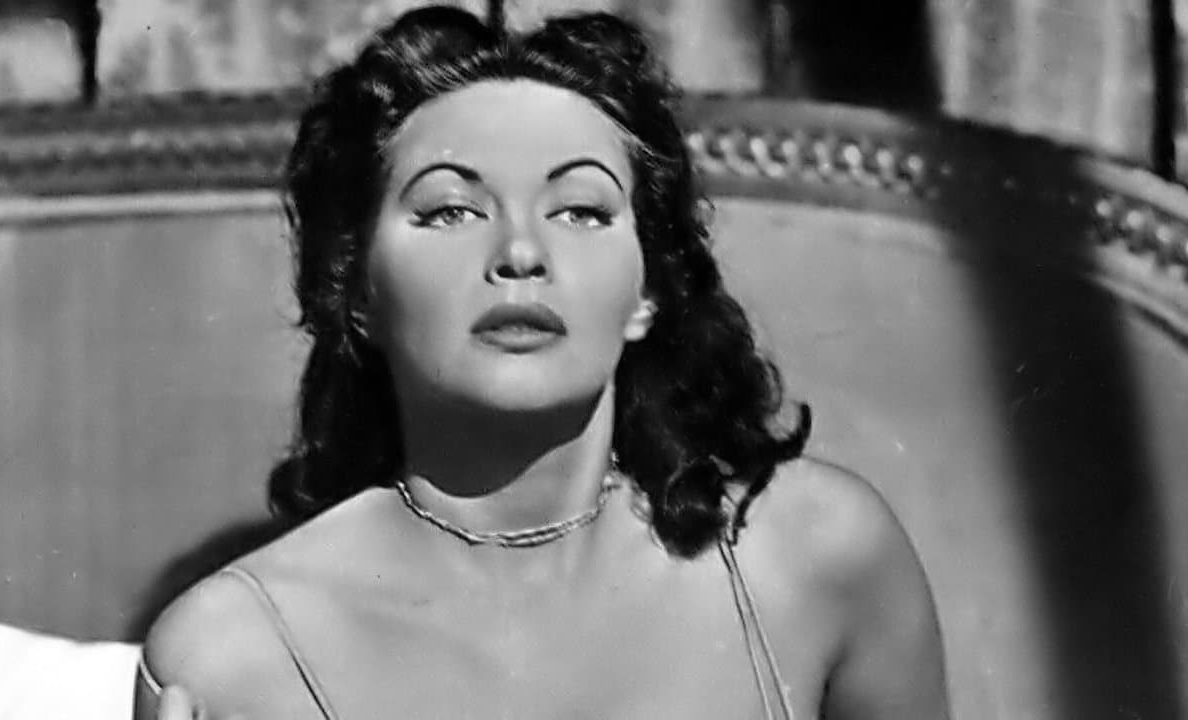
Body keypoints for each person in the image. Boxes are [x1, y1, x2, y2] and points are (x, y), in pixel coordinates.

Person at [135, 5, 950, 719]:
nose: (521, 251)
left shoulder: (816, 557)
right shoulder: (232, 654)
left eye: (581, 211)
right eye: (451, 209)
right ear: (355, 289)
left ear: (649, 289)